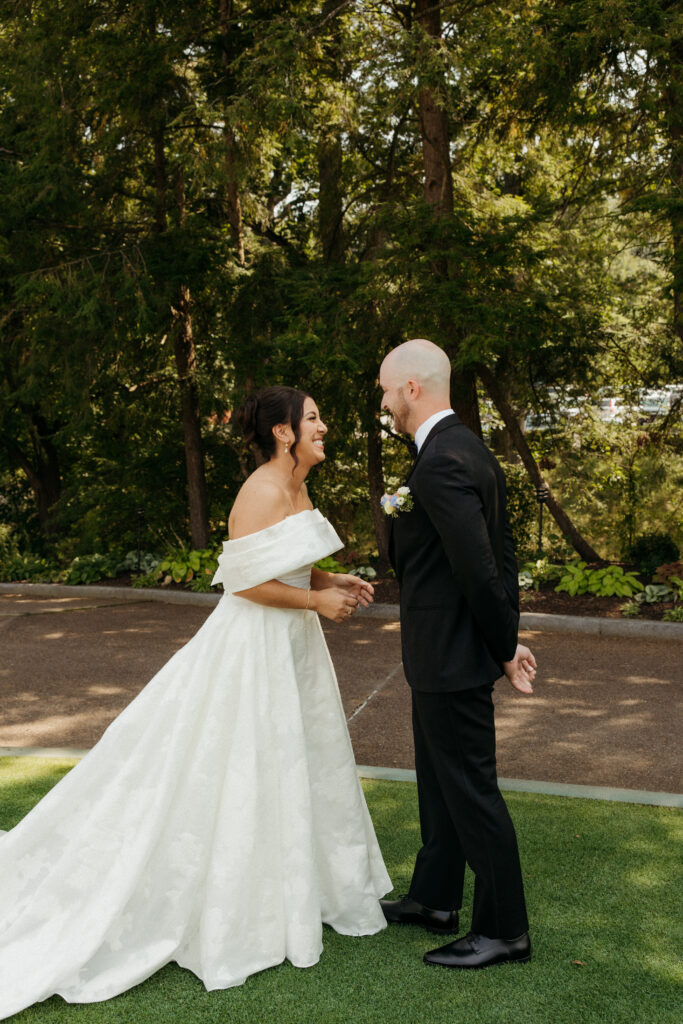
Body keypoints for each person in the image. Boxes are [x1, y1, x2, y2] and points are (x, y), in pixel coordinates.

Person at [0, 386, 391, 1020]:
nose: (325, 426)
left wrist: (327, 580)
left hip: (292, 646)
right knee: (233, 760)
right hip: (251, 647)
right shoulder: (262, 488)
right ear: (284, 432)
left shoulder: (296, 484)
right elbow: (242, 580)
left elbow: (284, 564)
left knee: (293, 761)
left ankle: (294, 888)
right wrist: (314, 602)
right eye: (314, 418)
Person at [378, 339, 537, 970]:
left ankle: (504, 930)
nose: (385, 403)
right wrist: (504, 641)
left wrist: (502, 646)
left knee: (471, 791)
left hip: (451, 655)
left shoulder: (442, 461)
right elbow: (506, 557)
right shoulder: (463, 448)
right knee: (439, 786)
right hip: (441, 653)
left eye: (387, 391)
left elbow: (480, 570)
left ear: (412, 390)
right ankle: (435, 898)